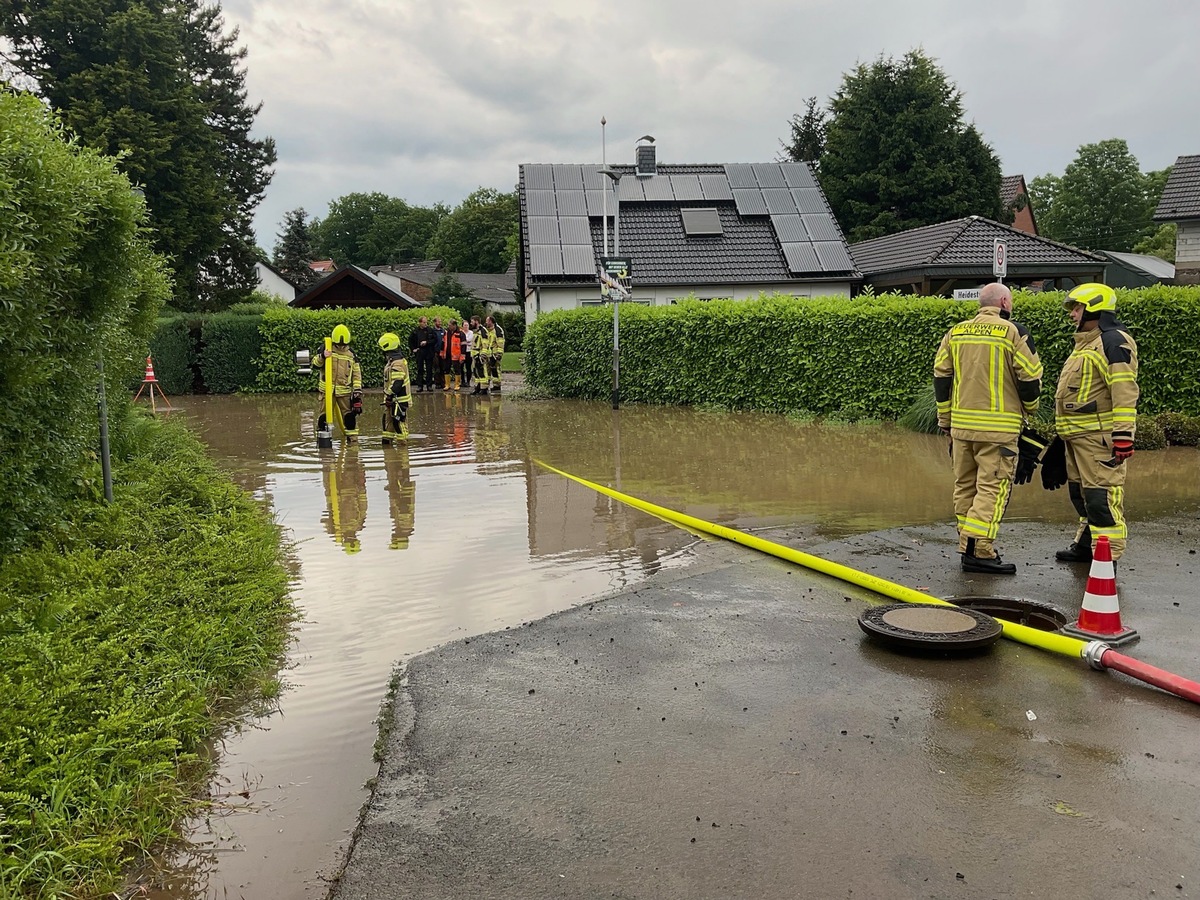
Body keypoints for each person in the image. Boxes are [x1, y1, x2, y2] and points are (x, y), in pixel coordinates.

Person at [933, 283, 1043, 574]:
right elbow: (1030, 378)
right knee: (991, 489)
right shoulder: (1013, 332)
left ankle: (966, 544)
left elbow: (941, 378)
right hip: (998, 431)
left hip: (961, 428)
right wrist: (1030, 410)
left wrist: (945, 420)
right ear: (1005, 301)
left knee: (965, 486)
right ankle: (979, 551)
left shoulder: (955, 332)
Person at [1052, 283, 1139, 563]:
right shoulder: (1086, 344)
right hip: (1078, 438)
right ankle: (1086, 545)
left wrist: (1123, 435)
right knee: (1082, 496)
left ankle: (1107, 560)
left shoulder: (1113, 341)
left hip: (1098, 438)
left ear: (1093, 308)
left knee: (1101, 500)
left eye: (1077, 308)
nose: (1072, 314)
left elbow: (1124, 389)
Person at [316, 323, 363, 443]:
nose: (341, 347)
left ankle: (353, 444)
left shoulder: (351, 354)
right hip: (327, 391)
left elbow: (357, 373)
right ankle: (323, 444)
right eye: (339, 345)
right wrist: (322, 356)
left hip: (344, 392)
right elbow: (315, 364)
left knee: (349, 419)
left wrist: (357, 390)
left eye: (344, 345)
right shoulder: (326, 348)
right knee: (324, 417)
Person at [379, 332, 411, 444]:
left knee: (399, 425)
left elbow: (397, 383)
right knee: (388, 427)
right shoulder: (393, 361)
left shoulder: (397, 363)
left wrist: (389, 394)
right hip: (392, 400)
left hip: (399, 401)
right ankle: (388, 451)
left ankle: (403, 454)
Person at [408, 316, 437, 392]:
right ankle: (420, 386)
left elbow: (435, 339)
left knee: (429, 369)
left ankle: (429, 385)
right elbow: (410, 340)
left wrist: (427, 342)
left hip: (429, 351)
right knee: (420, 369)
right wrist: (413, 349)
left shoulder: (430, 330)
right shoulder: (415, 331)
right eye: (424, 322)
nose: (425, 324)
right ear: (420, 323)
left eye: (426, 322)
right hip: (420, 351)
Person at [441, 319, 466, 391]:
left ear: (454, 325)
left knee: (457, 370)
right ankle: (447, 385)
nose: (448, 327)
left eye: (450, 325)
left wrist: (462, 356)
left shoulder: (460, 333)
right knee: (446, 369)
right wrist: (442, 352)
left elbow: (464, 346)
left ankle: (457, 385)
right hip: (447, 354)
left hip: (456, 355)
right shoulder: (446, 333)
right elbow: (443, 343)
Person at [471, 315, 492, 395]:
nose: (471, 323)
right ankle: (478, 387)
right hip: (475, 355)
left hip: (480, 355)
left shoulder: (483, 331)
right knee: (476, 373)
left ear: (476, 321)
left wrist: (482, 356)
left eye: (472, 321)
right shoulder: (476, 331)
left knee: (483, 372)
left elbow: (485, 345)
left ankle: (484, 388)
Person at [484, 315, 505, 393]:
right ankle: (486, 385)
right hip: (488, 353)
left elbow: (500, 343)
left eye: (487, 321)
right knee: (487, 370)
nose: (486, 322)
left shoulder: (498, 330)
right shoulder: (488, 330)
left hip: (495, 354)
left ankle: (497, 385)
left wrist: (499, 355)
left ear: (490, 321)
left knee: (496, 370)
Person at [432, 316, 446, 389]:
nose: (440, 323)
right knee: (436, 368)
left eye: (440, 321)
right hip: (435, 352)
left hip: (442, 352)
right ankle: (437, 383)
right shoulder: (432, 331)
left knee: (443, 368)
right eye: (438, 321)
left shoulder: (443, 331)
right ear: (435, 322)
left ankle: (443, 383)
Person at [461, 317, 475, 390]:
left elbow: (470, 341)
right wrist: (466, 342)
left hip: (469, 352)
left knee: (468, 367)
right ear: (462, 326)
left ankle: (468, 381)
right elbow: (461, 342)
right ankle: (462, 381)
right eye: (465, 325)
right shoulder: (460, 333)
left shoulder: (471, 333)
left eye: (467, 325)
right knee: (461, 367)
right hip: (462, 352)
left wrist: (465, 342)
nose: (466, 326)